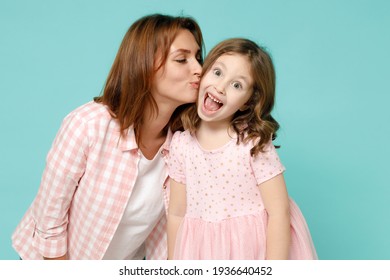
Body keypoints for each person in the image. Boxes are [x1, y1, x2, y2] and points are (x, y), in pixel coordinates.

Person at [12, 13, 204, 260]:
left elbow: (169, 237)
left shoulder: (184, 145)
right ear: (144, 65)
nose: (199, 69)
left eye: (198, 58)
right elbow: (49, 221)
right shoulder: (88, 125)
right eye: (181, 59)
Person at [167, 38, 317, 260]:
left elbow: (278, 212)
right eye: (217, 72)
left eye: (236, 85)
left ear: (248, 102)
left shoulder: (252, 143)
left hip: (252, 249)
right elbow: (177, 213)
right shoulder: (181, 144)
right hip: (202, 251)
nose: (220, 87)